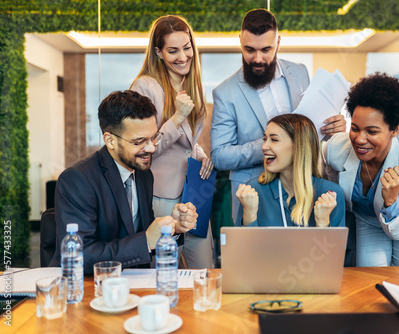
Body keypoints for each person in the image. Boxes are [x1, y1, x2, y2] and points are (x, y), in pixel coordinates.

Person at [211, 8, 346, 224]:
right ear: (239, 42)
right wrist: (272, 144)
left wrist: (332, 128)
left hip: (302, 184)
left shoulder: (300, 72)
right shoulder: (225, 93)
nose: (257, 58)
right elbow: (219, 155)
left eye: (266, 49)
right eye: (249, 50)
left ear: (279, 43)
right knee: (254, 252)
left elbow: (307, 128)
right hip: (254, 191)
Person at [50, 90, 198, 274]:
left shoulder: (143, 174)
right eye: (139, 142)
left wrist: (172, 229)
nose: (151, 148)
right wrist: (145, 241)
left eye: (153, 137)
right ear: (110, 140)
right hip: (85, 287)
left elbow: (145, 235)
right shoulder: (77, 180)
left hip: (132, 283)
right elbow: (80, 255)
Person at [323, 73, 399, 266]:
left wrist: (391, 200)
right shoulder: (336, 150)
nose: (359, 139)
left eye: (372, 131)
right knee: (370, 278)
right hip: (367, 219)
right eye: (355, 128)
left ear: (395, 130)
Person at [131, 15, 213, 269]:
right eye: (172, 50)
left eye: (187, 48)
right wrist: (177, 117)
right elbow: (142, 147)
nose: (182, 56)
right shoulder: (144, 86)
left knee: (204, 269)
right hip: (161, 196)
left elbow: (188, 142)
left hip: (193, 193)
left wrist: (199, 153)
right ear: (158, 52)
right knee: (164, 276)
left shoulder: (192, 85)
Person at [236, 114, 345, 227]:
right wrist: (249, 214)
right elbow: (242, 245)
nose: (264, 146)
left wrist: (323, 223)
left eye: (274, 140)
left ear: (298, 146)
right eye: (265, 139)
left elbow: (334, 245)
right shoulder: (253, 191)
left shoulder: (330, 194)